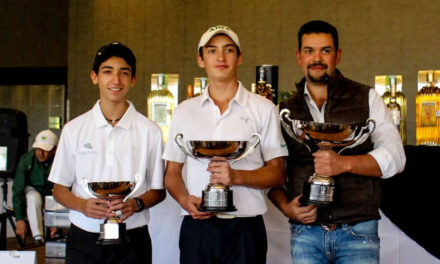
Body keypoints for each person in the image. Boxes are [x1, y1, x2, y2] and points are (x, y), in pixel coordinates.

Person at [268, 20, 406, 264]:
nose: (317, 58)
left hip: (358, 231)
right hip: (305, 234)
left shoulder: (367, 97)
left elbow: (396, 157)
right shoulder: (284, 111)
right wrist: (285, 207)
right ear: (299, 57)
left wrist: (344, 164)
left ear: (338, 55)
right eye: (309, 51)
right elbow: (270, 171)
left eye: (326, 50)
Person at [163, 25, 288, 264]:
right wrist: (183, 198)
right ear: (201, 59)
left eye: (228, 50)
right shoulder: (184, 111)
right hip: (197, 227)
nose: (221, 58)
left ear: (239, 57)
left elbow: (278, 173)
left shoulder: (263, 108)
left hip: (245, 229)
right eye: (212, 51)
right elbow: (172, 173)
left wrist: (237, 177)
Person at [48, 42, 165, 264]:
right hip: (84, 237)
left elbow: (158, 191)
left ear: (133, 79)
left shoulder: (150, 131)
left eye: (124, 73)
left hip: (133, 237)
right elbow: (59, 189)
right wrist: (82, 205)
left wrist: (136, 204)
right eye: (107, 72)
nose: (116, 80)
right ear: (95, 77)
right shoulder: (74, 129)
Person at [12, 129, 58, 244]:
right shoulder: (26, 160)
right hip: (34, 190)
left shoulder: (60, 161)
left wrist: (58, 220)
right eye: (38, 149)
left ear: (54, 150)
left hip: (53, 192)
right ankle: (38, 236)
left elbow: (66, 188)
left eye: (45, 150)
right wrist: (20, 219)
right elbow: (18, 189)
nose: (40, 153)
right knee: (33, 197)